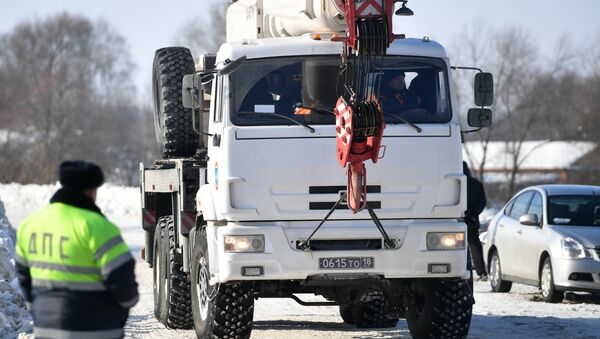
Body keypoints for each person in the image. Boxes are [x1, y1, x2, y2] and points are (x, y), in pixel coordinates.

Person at [15, 160, 139, 339]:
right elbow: (125, 287)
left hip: (46, 330)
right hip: (96, 332)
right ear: (91, 191)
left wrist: (39, 309)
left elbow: (23, 278)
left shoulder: (30, 225)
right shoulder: (98, 227)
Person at [463, 161, 488, 281]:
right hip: (472, 220)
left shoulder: (451, 182)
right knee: (475, 246)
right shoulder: (476, 184)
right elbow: (482, 202)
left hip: (455, 220)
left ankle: (462, 270)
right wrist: (473, 213)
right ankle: (481, 272)